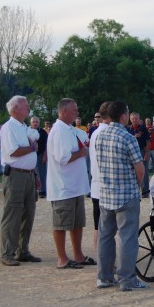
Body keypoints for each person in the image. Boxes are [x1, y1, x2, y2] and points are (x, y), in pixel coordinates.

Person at [95, 101, 147, 291]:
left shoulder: (100, 135)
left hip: (106, 195)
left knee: (105, 237)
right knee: (127, 238)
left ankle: (104, 277)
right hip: (126, 195)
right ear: (123, 116)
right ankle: (127, 279)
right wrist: (138, 186)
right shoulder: (128, 138)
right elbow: (139, 169)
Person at [46, 98, 93, 269]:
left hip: (75, 185)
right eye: (74, 110)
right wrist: (81, 153)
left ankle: (78, 255)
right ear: (64, 111)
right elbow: (63, 158)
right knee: (61, 223)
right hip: (63, 186)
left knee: (77, 222)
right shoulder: (59, 131)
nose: (77, 112)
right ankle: (62, 258)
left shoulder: (70, 129)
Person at [0, 95, 41, 266]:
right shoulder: (9, 127)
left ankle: (22, 250)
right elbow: (14, 151)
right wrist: (32, 147)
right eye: (25, 105)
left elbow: (29, 153)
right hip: (15, 175)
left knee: (28, 214)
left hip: (28, 174)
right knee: (13, 215)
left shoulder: (23, 127)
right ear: (15, 108)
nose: (28, 108)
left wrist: (36, 175)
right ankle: (8, 252)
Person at [88, 102, 110, 255]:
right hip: (105, 185)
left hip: (96, 184)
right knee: (105, 226)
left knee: (98, 225)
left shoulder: (95, 132)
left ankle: (101, 258)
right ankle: (105, 260)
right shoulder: (107, 132)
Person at [126, 112, 150, 197]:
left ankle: (145, 191)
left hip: (142, 150)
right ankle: (135, 190)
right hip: (131, 152)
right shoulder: (128, 129)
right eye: (133, 119)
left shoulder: (143, 128)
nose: (134, 120)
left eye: (136, 118)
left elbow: (148, 141)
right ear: (130, 119)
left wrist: (147, 153)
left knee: (144, 171)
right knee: (132, 171)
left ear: (139, 119)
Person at [29, 117, 48, 198]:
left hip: (40, 154)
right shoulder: (27, 131)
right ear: (31, 123)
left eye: (37, 122)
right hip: (29, 155)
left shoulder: (43, 132)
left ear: (39, 123)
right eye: (33, 122)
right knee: (31, 173)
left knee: (42, 173)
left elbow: (47, 145)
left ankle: (43, 190)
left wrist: (45, 155)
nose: (35, 123)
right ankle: (32, 190)